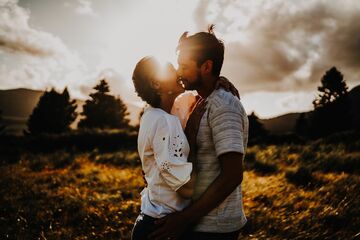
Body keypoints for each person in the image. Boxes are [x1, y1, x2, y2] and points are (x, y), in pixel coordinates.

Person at [150, 25, 249, 240]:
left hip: (216, 228)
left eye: (184, 66)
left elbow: (232, 175)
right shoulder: (199, 102)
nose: (178, 72)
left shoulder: (224, 106)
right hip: (200, 222)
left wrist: (185, 218)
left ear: (206, 67)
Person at [131, 56, 206, 240]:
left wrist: (220, 82)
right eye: (171, 70)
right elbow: (185, 188)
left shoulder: (151, 115)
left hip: (151, 221)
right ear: (156, 84)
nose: (179, 72)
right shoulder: (165, 121)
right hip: (163, 228)